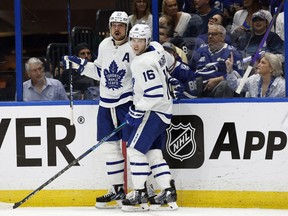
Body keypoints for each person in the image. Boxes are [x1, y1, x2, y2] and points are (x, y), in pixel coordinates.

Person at [64, 11, 135, 208]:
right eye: (114, 25)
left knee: (135, 149)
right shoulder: (104, 45)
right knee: (109, 149)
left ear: (127, 27)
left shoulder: (134, 46)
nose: (117, 28)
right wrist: (79, 65)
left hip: (126, 103)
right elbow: (99, 72)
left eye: (121, 25)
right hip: (105, 105)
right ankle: (117, 189)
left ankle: (139, 192)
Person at [121, 24, 178, 211]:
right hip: (165, 112)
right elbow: (171, 63)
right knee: (153, 153)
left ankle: (139, 193)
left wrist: (136, 111)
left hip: (153, 112)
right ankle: (168, 191)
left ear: (147, 40)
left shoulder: (140, 63)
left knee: (134, 150)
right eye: (133, 40)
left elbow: (153, 94)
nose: (136, 44)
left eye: (140, 40)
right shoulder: (158, 48)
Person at [190, 24, 244, 97]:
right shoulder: (200, 51)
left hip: (218, 87)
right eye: (208, 34)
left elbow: (239, 75)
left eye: (214, 34)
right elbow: (190, 69)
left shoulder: (233, 53)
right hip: (198, 86)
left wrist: (219, 79)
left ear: (222, 37)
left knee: (225, 85)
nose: (210, 37)